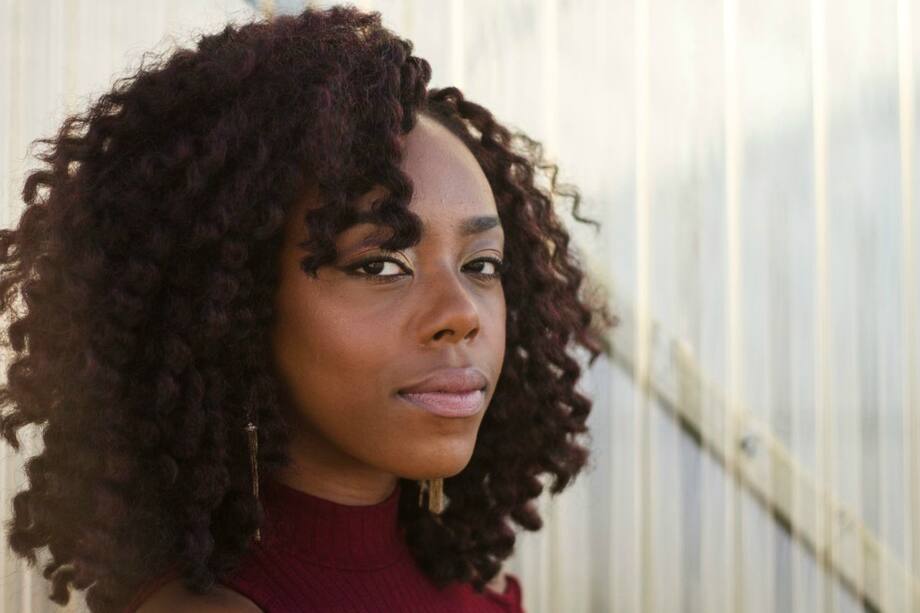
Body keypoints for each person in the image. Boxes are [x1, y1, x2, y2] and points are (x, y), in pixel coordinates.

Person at [0, 4, 616, 612]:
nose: (462, 313)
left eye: (482, 264)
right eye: (378, 264)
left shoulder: (475, 596)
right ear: (231, 308)